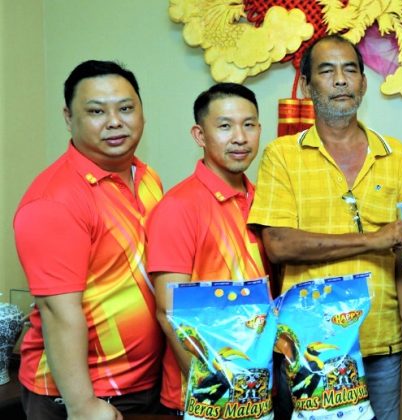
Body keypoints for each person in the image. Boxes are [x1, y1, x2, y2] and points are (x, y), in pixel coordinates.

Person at [247, 34, 402, 420]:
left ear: (363, 83)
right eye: (327, 71)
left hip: (380, 341)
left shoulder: (395, 154)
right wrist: (373, 239)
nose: (340, 80)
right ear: (308, 86)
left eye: (350, 70)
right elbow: (279, 244)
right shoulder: (282, 155)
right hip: (310, 342)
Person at [13, 60, 164, 420]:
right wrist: (82, 405)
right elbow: (57, 311)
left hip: (143, 381)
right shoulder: (54, 200)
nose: (114, 122)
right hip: (80, 395)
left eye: (125, 108)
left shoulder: (146, 177)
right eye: (96, 111)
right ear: (69, 117)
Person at [145, 82, 287, 416]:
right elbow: (169, 313)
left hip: (260, 390)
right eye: (225, 126)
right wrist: (213, 393)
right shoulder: (178, 207)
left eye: (248, 125)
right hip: (205, 398)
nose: (240, 137)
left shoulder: (265, 201)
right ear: (200, 135)